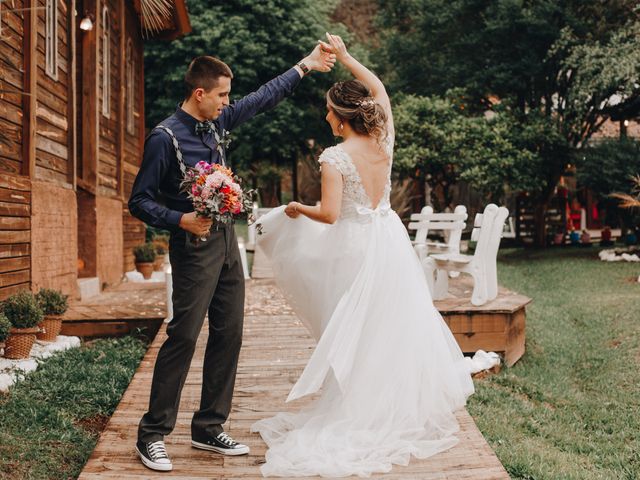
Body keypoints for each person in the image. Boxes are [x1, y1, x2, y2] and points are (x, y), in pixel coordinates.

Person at [251, 33, 474, 477]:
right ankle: (393, 401)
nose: (326, 116)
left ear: (340, 116)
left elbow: (331, 215)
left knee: (354, 328)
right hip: (388, 240)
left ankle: (359, 405)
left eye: (329, 111)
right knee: (386, 324)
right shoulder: (383, 142)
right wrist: (350, 58)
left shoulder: (335, 157)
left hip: (353, 247)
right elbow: (381, 91)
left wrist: (297, 208)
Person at [128, 46, 335, 472]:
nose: (228, 104)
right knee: (184, 335)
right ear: (200, 92)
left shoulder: (216, 122)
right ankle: (151, 434)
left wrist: (304, 66)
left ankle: (208, 426)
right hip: (193, 246)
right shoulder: (163, 138)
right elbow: (139, 200)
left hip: (227, 243)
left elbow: (262, 98)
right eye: (222, 96)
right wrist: (180, 219)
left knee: (230, 333)